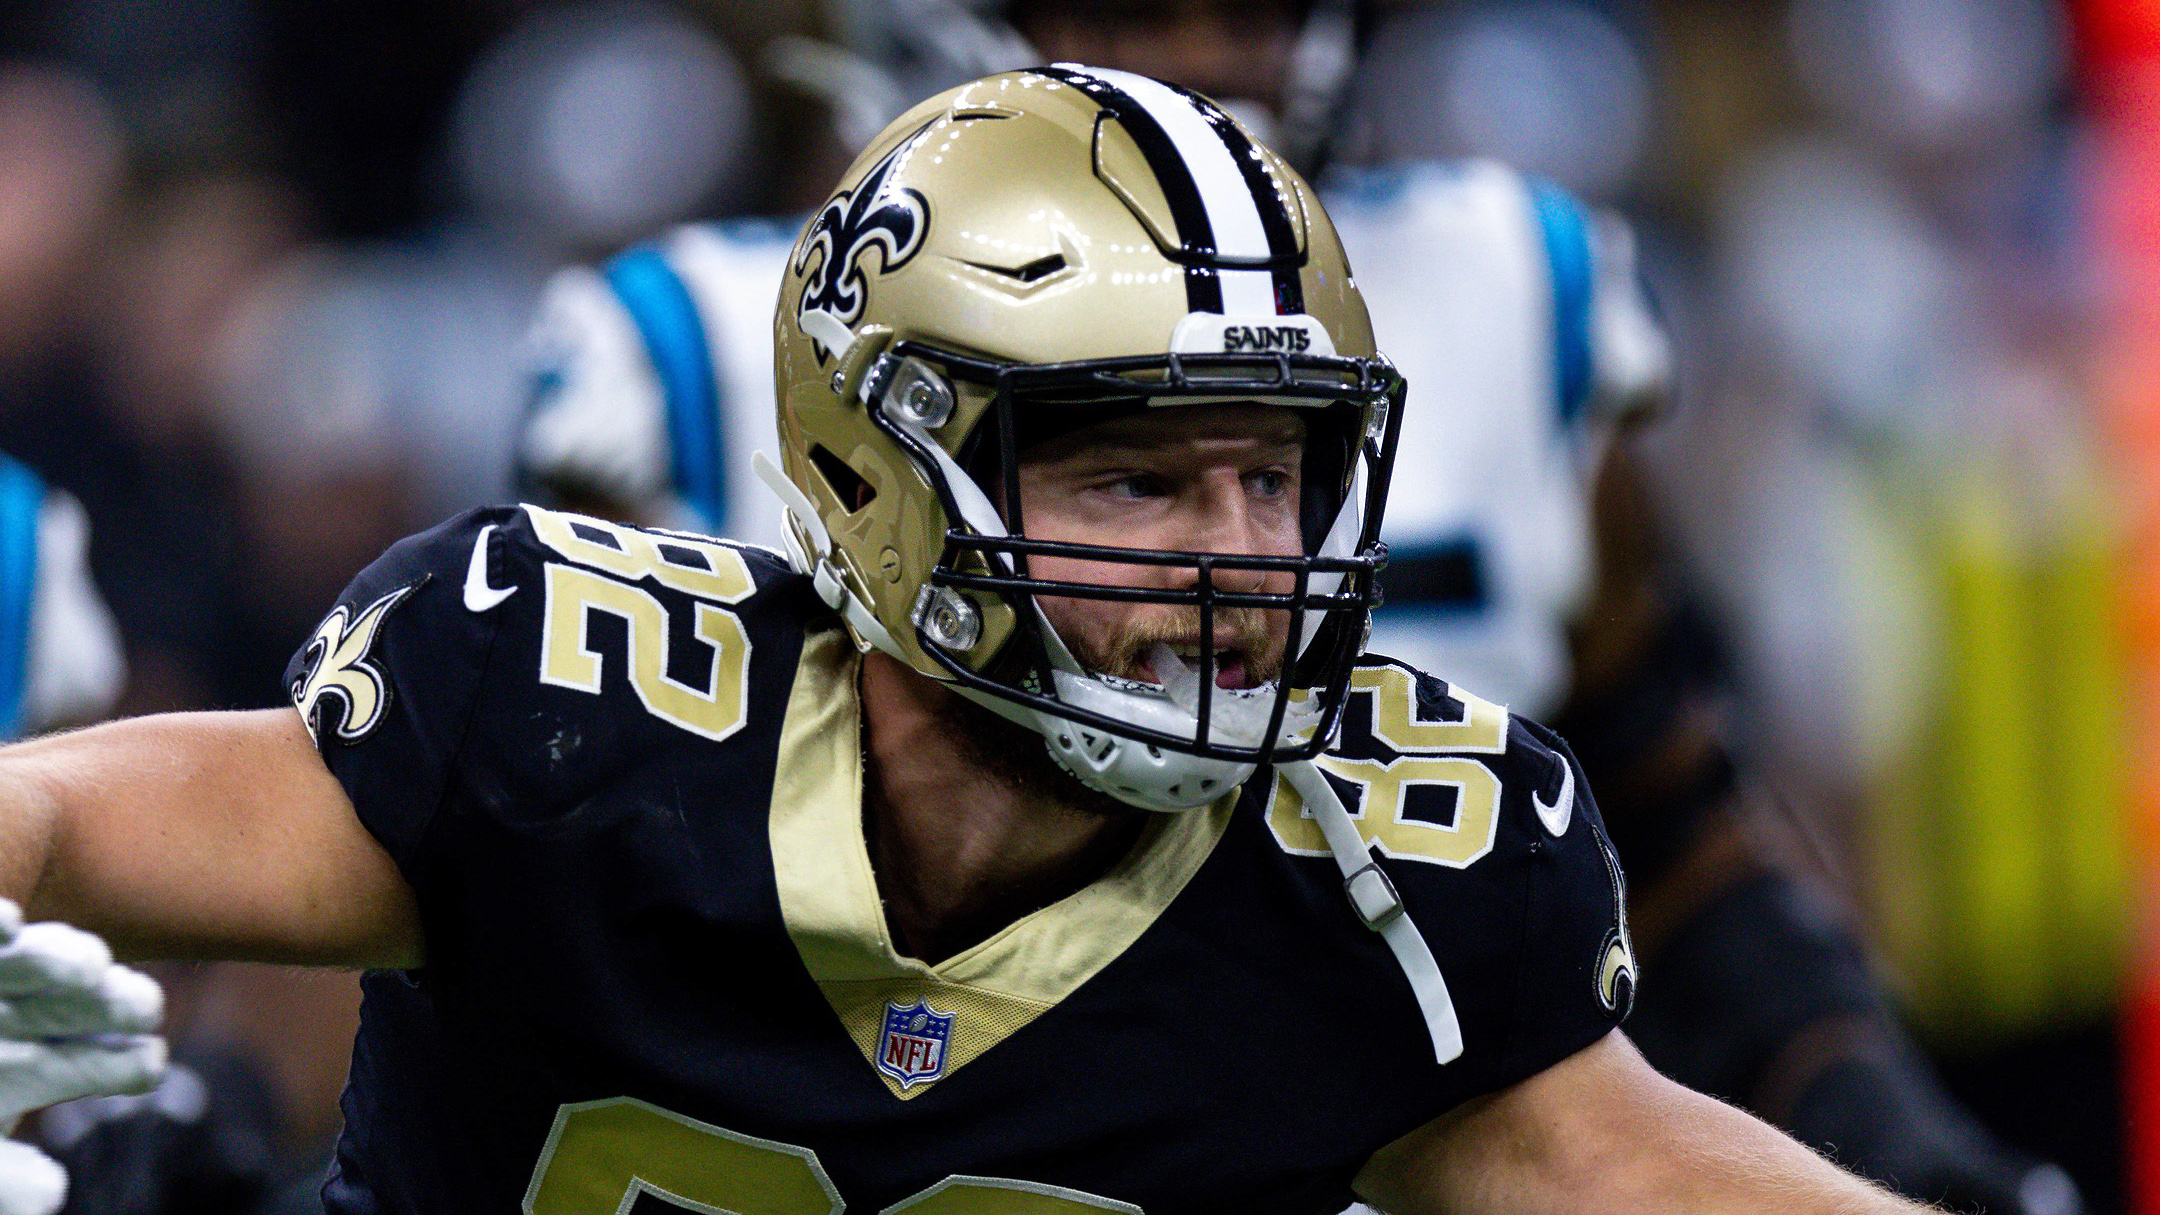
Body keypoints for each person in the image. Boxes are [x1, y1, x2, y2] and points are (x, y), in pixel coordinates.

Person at [0, 71, 1926, 1213]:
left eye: (1278, 479)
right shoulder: (575, 711)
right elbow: (70, 823)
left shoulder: (1386, 882)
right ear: (890, 466)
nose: (1243, 559)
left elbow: (1646, 1170)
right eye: (1146, 486)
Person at [516, 5, 2077, 1212]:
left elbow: (1674, 829)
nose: (1211, 63)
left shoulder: (1509, 285)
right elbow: (520, 879)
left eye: (1282, 476)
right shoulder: (714, 346)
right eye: (1127, 476)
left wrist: (1885, 1120)